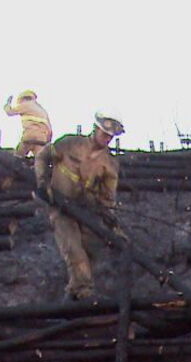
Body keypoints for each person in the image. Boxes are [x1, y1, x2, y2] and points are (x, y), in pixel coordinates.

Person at [32, 112, 124, 301]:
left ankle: (73, 294)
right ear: (95, 129)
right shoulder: (69, 144)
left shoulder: (110, 165)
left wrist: (113, 223)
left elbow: (108, 199)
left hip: (87, 212)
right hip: (61, 208)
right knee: (74, 250)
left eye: (110, 136)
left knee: (91, 252)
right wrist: (42, 183)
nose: (107, 139)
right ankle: (84, 292)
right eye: (104, 134)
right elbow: (42, 157)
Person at [3, 90, 53, 158]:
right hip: (42, 139)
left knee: (17, 157)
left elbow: (10, 112)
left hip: (29, 136)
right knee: (39, 161)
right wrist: (47, 142)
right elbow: (50, 130)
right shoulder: (42, 111)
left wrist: (7, 104)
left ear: (23, 98)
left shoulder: (26, 104)